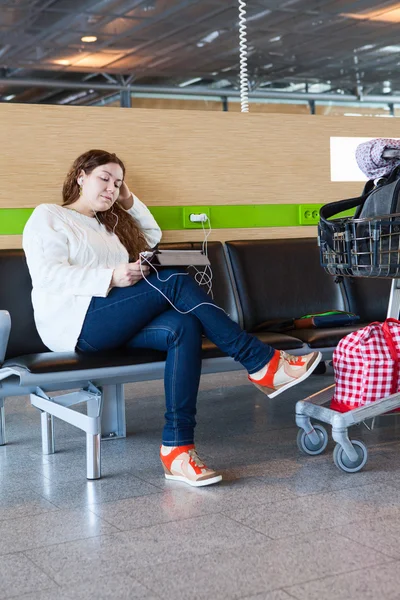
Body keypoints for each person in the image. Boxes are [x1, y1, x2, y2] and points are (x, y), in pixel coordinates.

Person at [23, 149, 322, 488]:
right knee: (175, 279)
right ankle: (261, 362)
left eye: (117, 183)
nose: (110, 188)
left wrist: (128, 198)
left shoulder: (108, 226)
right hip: (75, 325)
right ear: (80, 176)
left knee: (183, 325)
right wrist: (112, 276)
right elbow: (48, 275)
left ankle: (177, 449)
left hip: (112, 323)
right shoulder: (48, 216)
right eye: (104, 179)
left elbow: (151, 236)